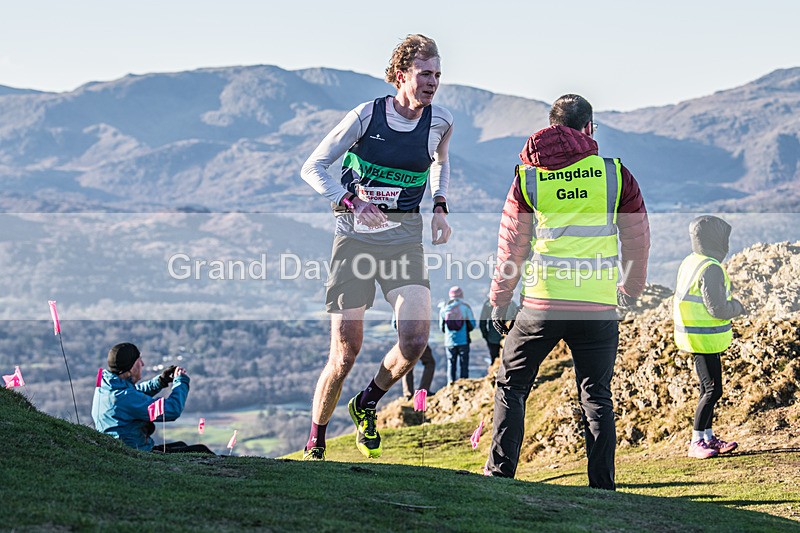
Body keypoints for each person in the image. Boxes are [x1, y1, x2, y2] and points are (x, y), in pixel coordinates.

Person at [483, 94, 650, 490]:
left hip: (541, 303)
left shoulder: (528, 177)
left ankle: (499, 475)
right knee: (596, 396)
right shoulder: (614, 174)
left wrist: (500, 301)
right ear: (589, 128)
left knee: (512, 385)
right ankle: (602, 487)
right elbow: (637, 240)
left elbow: (512, 245)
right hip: (597, 305)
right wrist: (630, 290)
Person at [299, 34, 454, 461]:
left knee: (415, 340)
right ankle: (317, 438)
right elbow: (312, 167)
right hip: (353, 240)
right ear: (401, 75)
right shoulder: (366, 116)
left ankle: (366, 401)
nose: (433, 82)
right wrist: (351, 200)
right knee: (345, 352)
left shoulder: (440, 121)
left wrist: (440, 204)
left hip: (404, 239)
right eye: (425, 74)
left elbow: (440, 163)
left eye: (438, 75)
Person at [673, 216, 745, 459]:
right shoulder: (711, 268)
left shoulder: (692, 261)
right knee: (713, 390)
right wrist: (738, 307)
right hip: (704, 337)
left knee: (708, 388)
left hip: (695, 335)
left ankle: (708, 438)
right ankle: (696, 442)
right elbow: (718, 309)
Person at [91, 342, 214, 454]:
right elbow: (172, 410)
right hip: (135, 453)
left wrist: (160, 381)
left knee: (182, 445)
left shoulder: (106, 386)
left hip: (121, 448)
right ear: (132, 367)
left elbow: (134, 394)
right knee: (201, 450)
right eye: (140, 361)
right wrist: (180, 382)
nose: (143, 364)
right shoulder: (124, 398)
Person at [439, 286, 477, 383]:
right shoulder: (465, 308)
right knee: (464, 364)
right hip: (463, 340)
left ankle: (451, 382)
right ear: (461, 295)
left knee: (451, 363)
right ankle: (464, 382)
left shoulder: (444, 308)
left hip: (449, 341)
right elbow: (472, 324)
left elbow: (441, 327)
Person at [393, 314, 436, 399]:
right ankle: (423, 392)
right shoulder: (417, 304)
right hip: (418, 339)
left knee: (407, 365)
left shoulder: (398, 306)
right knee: (430, 363)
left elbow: (395, 324)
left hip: (405, 341)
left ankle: (408, 394)